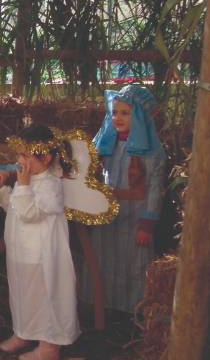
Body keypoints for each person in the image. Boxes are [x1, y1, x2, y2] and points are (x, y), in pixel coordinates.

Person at [0, 124, 80, 359]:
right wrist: (3, 190)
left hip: (41, 257)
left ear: (47, 156)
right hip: (21, 253)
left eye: (25, 155)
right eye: (19, 154)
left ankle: (49, 346)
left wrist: (21, 185)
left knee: (45, 297)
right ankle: (23, 332)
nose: (20, 160)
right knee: (23, 293)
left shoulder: (51, 185)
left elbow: (29, 213)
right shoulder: (28, 181)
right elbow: (14, 208)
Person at [83, 85, 165, 314]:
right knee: (105, 257)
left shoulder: (150, 151)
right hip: (109, 214)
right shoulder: (107, 145)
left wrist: (147, 224)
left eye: (125, 113)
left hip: (134, 219)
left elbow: (155, 189)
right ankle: (104, 304)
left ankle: (134, 309)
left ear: (139, 116)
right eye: (115, 112)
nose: (118, 118)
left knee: (133, 262)